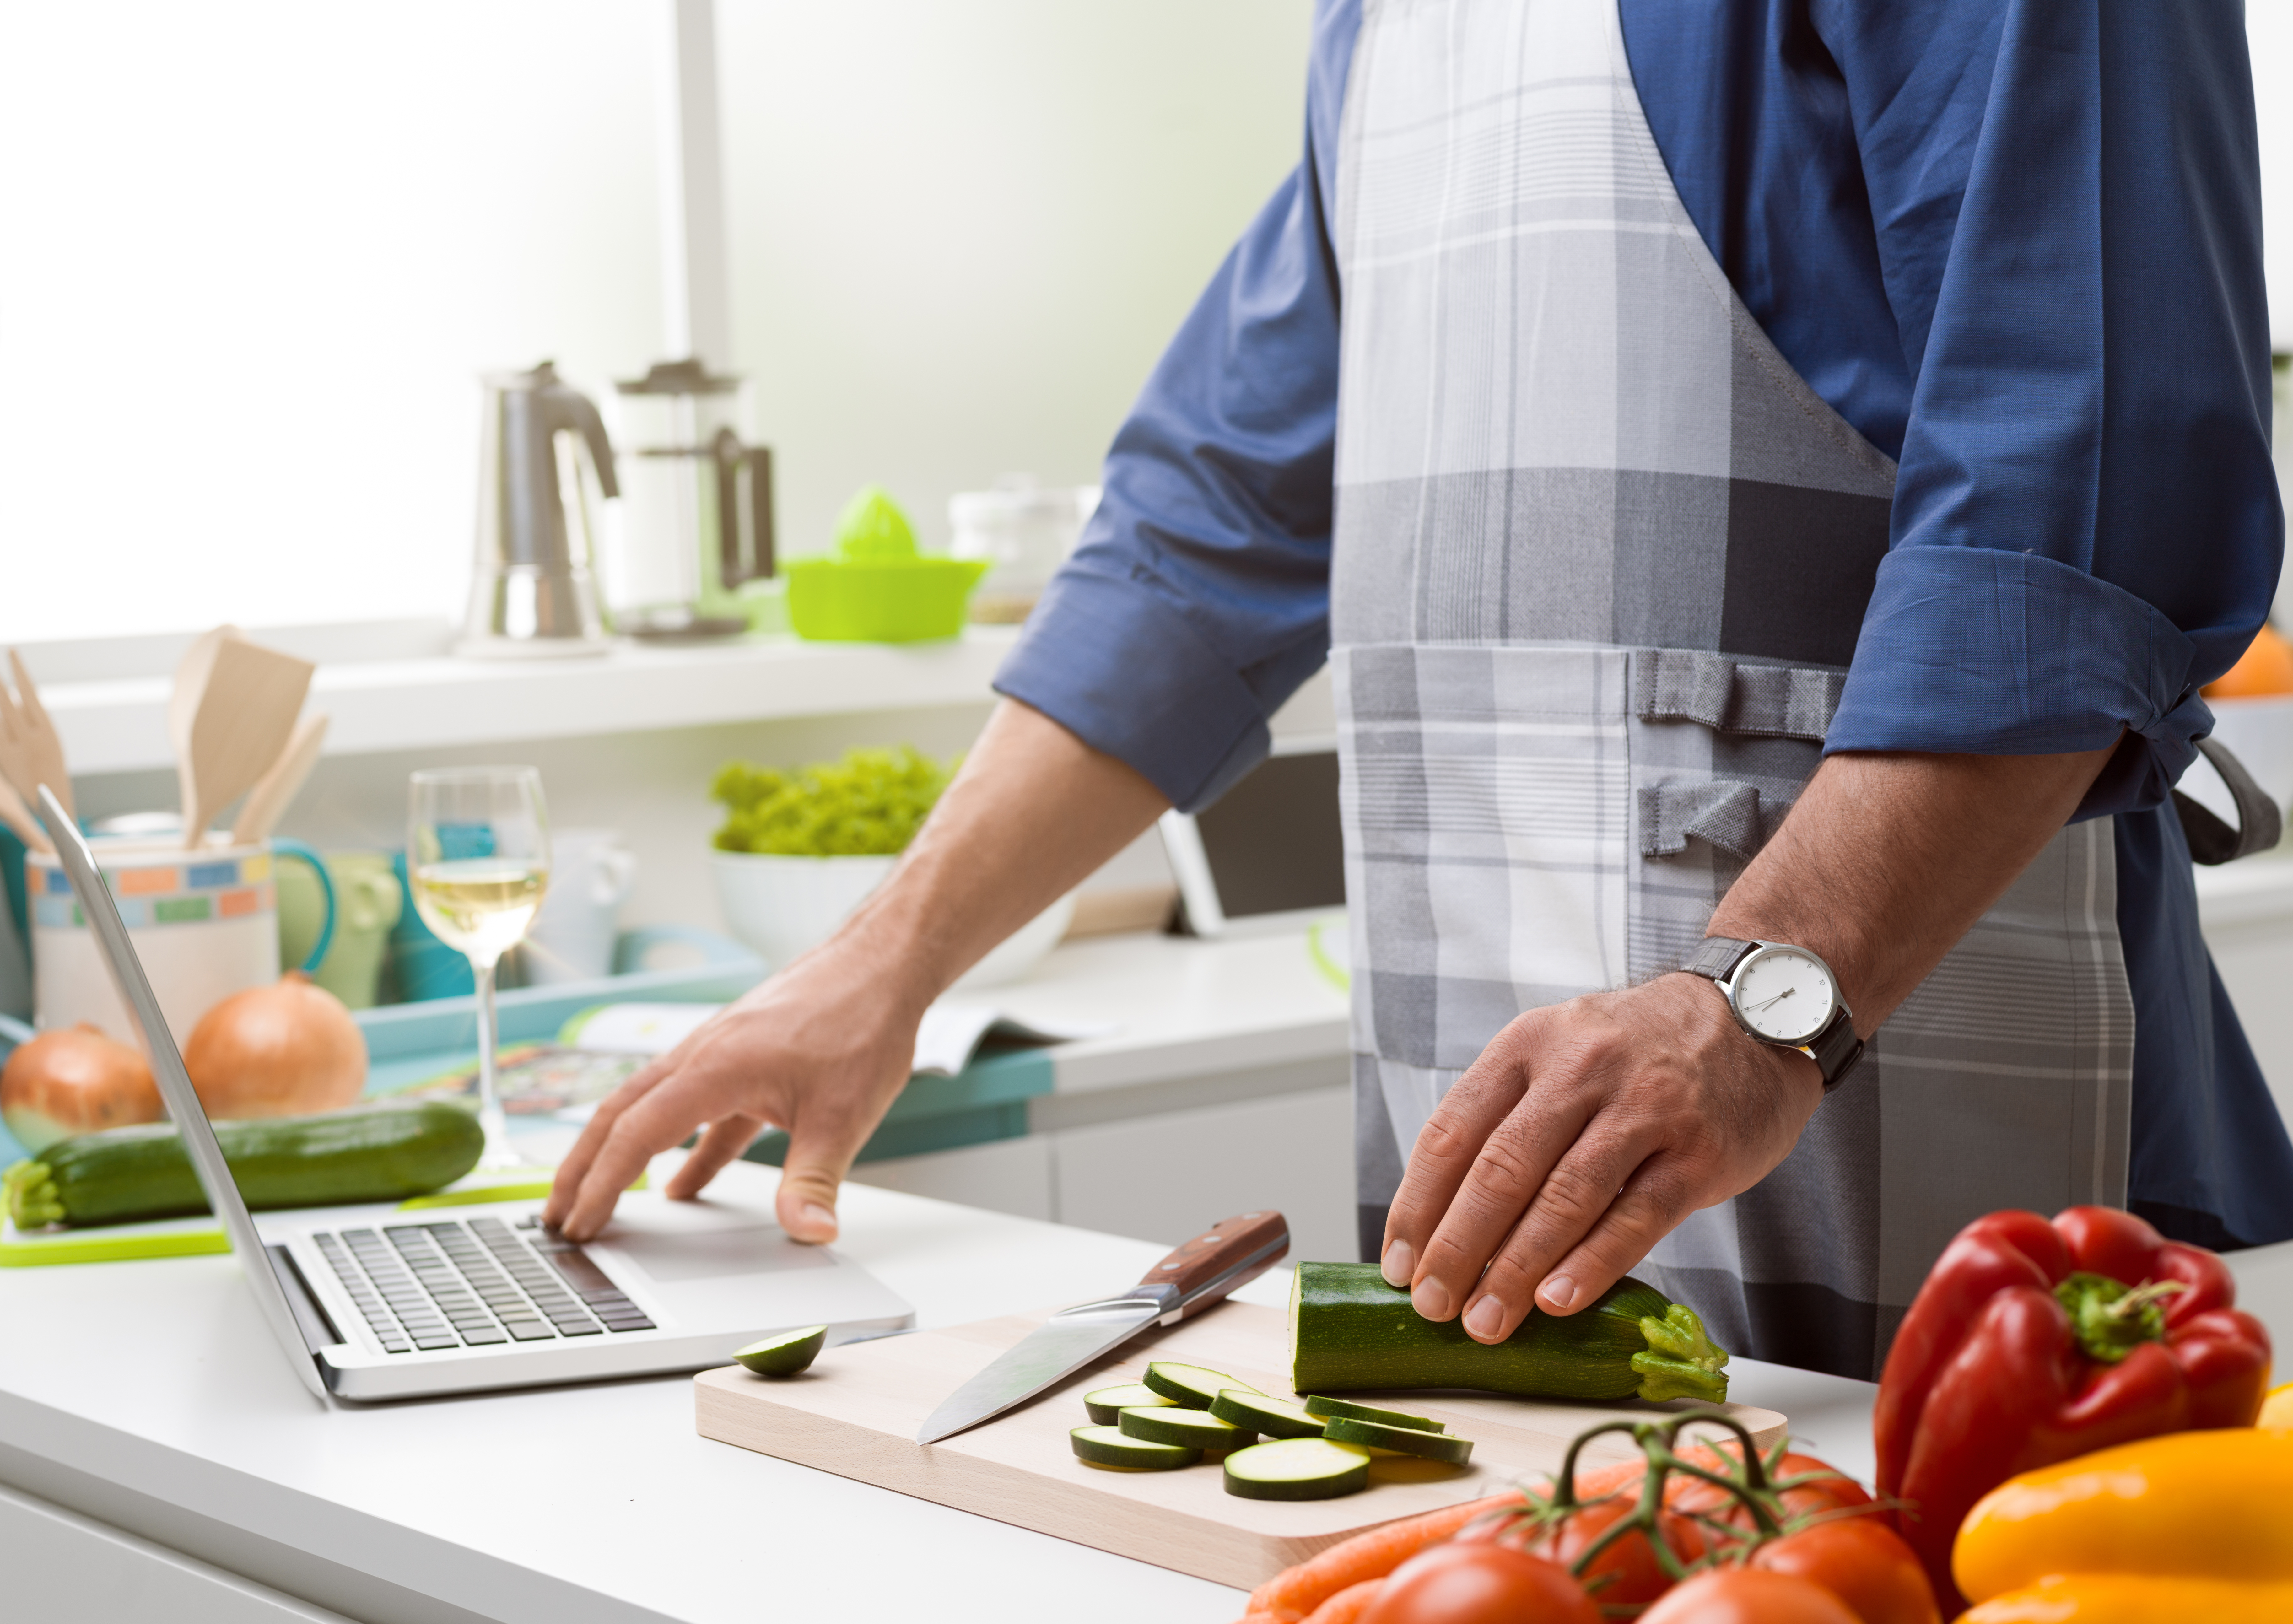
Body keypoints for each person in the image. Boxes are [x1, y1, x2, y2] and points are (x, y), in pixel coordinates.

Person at [548, 0, 2290, 1380]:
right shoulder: (1385, 21)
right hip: (1495, 1182)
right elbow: (1212, 523)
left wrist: (1751, 1009)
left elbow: (2079, 500)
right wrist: (879, 969)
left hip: (1925, 1153)